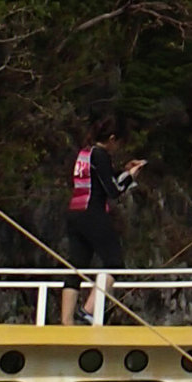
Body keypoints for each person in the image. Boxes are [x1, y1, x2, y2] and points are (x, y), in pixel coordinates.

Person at [59, 121, 143, 327]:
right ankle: (87, 311)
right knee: (114, 262)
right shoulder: (100, 155)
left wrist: (122, 171)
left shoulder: (84, 153)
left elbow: (101, 179)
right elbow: (113, 190)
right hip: (93, 212)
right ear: (112, 139)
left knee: (76, 265)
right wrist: (130, 178)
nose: (118, 148)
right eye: (119, 143)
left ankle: (66, 321)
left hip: (75, 212)